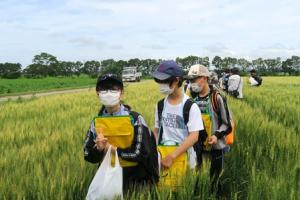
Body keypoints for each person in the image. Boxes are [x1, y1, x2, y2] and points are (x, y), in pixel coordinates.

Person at [83, 73, 159, 191]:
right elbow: (88, 155)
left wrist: (110, 149)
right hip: (107, 179)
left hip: (135, 180)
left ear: (121, 93)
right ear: (98, 94)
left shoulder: (135, 119)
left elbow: (141, 153)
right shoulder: (96, 123)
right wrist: (98, 149)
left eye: (113, 89)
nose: (108, 93)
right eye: (104, 89)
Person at [184, 64, 232, 194]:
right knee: (198, 180)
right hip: (198, 148)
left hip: (215, 148)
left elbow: (227, 124)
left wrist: (216, 136)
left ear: (205, 78)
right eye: (190, 80)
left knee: (214, 181)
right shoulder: (191, 100)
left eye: (195, 79)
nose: (192, 83)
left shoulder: (217, 98)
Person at [152, 60, 205, 173]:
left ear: (176, 80)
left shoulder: (190, 106)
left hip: (184, 156)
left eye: (164, 81)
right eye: (159, 81)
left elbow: (194, 136)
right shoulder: (160, 105)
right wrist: (154, 151)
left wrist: (172, 156)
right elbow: (156, 130)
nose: (161, 85)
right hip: (163, 156)